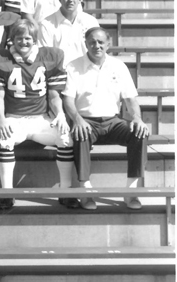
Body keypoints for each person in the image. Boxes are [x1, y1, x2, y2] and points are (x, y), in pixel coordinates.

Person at [0, 19, 73, 210]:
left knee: (65, 137)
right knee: (4, 140)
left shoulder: (50, 56)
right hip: (14, 118)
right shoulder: (0, 59)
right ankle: (7, 193)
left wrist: (61, 116)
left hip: (41, 119)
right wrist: (1, 120)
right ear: (11, 39)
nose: (23, 42)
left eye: (28, 38)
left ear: (35, 40)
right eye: (19, 38)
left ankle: (66, 191)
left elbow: (54, 94)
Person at [62, 27, 150, 210]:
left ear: (108, 44)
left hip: (113, 122)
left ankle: (131, 192)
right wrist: (77, 119)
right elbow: (68, 101)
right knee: (80, 134)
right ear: (85, 43)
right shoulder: (73, 66)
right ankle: (85, 191)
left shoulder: (119, 66)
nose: (97, 45)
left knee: (139, 133)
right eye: (92, 42)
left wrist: (137, 118)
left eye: (101, 42)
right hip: (86, 121)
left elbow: (131, 99)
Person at [39, 0, 99, 64]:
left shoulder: (91, 21)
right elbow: (45, 55)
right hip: (59, 73)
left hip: (86, 72)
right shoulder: (46, 24)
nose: (70, 0)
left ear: (80, 0)